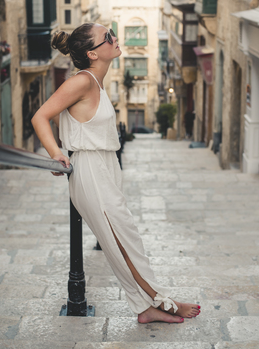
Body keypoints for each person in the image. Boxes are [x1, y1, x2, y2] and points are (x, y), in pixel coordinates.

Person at [31, 22, 201, 324]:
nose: (115, 38)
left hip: (104, 168)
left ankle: (145, 306)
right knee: (122, 242)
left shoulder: (95, 81)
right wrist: (56, 153)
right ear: (93, 54)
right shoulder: (81, 81)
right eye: (107, 37)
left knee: (126, 239)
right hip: (91, 172)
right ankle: (162, 302)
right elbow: (40, 116)